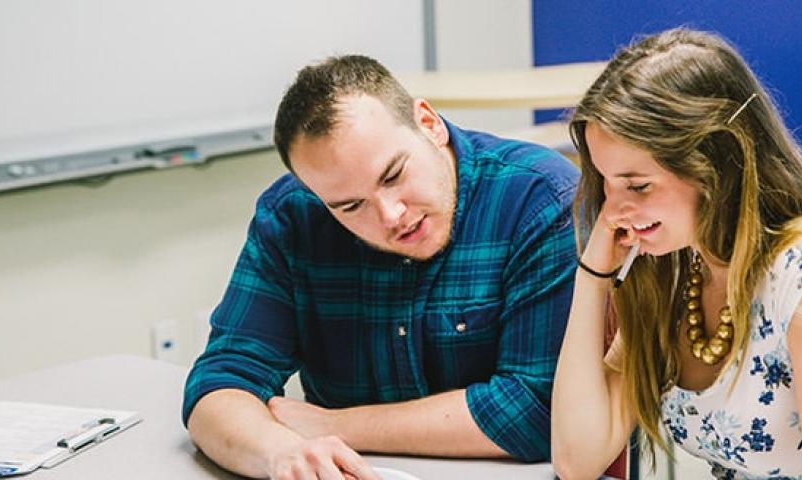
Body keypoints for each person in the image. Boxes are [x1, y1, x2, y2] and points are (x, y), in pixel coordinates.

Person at [550, 28, 802, 479]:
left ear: (717, 165)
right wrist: (591, 277)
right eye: (605, 183)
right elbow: (578, 458)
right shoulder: (674, 268)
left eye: (638, 186)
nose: (613, 212)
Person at [183, 55, 580, 479]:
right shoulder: (292, 216)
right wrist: (281, 452)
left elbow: (537, 411)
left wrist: (333, 426)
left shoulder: (539, 198)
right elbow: (220, 381)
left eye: (393, 176)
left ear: (428, 123)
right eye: (351, 206)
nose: (391, 216)